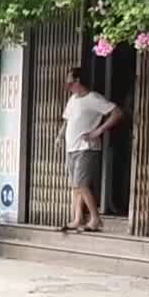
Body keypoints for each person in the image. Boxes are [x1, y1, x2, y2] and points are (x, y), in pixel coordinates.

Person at [58, 67, 122, 232]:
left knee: (82, 184)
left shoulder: (93, 98)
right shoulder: (73, 99)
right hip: (71, 147)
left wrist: (98, 131)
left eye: (70, 81)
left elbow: (116, 112)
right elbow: (67, 120)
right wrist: (60, 136)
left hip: (86, 148)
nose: (68, 84)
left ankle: (95, 218)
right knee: (75, 185)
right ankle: (78, 218)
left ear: (78, 81)